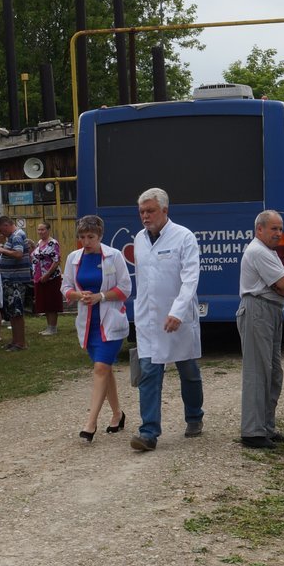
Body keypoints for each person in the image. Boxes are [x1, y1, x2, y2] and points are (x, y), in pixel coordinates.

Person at [129, 188, 204, 452]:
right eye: (141, 212)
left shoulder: (183, 237)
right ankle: (148, 432)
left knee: (188, 371)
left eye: (150, 211)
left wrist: (178, 311)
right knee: (148, 373)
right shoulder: (139, 238)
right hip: (149, 319)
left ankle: (194, 416)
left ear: (165, 210)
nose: (145, 216)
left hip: (177, 318)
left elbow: (190, 278)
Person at [61, 215, 132, 442]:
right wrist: (77, 295)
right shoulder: (74, 258)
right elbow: (66, 287)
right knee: (105, 369)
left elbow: (125, 289)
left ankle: (90, 423)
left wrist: (101, 296)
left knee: (101, 368)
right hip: (88, 323)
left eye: (90, 237)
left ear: (100, 236)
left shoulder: (114, 256)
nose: (86, 241)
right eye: (82, 237)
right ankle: (118, 414)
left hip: (110, 321)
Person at [237, 209, 284, 449]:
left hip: (270, 310)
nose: (279, 233)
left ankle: (266, 428)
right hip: (258, 310)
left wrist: (283, 287)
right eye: (274, 228)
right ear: (259, 229)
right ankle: (252, 432)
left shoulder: (268, 252)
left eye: (280, 229)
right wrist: (283, 286)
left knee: (273, 373)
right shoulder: (258, 251)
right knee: (257, 372)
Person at [0, 215, 31, 351]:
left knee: (17, 312)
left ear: (6, 225)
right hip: (11, 280)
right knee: (12, 313)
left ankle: (20, 343)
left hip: (16, 280)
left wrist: (2, 250)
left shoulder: (16, 235)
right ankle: (15, 341)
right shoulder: (13, 236)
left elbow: (18, 254)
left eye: (1, 230)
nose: (1, 233)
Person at [31, 221, 63, 336]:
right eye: (39, 230)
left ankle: (53, 328)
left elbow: (56, 261)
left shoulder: (53, 243)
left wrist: (47, 275)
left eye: (42, 229)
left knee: (51, 302)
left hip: (51, 278)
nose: (40, 232)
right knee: (44, 302)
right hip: (39, 278)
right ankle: (49, 327)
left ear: (48, 230)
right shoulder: (39, 243)